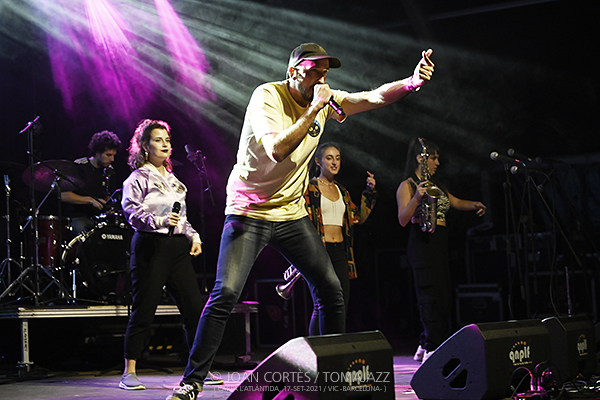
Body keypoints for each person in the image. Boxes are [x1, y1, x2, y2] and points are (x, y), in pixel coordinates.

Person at [167, 42, 434, 400]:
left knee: (331, 290)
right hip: (250, 210)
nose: (322, 77)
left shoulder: (324, 97)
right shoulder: (268, 97)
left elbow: (372, 98)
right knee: (226, 292)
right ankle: (191, 382)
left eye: (326, 71)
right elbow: (277, 149)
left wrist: (411, 82)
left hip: (291, 213)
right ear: (293, 71)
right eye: (314, 70)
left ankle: (330, 379)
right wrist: (315, 109)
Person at [119, 119, 223, 390]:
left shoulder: (175, 182)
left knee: (193, 308)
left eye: (167, 139)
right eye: (158, 140)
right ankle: (129, 371)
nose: (165, 144)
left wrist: (194, 236)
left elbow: (182, 218)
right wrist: (161, 221)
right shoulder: (137, 178)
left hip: (176, 249)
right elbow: (132, 212)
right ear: (144, 146)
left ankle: (199, 367)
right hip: (150, 246)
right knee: (144, 308)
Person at [396, 137, 486, 363]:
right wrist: (417, 196)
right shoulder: (406, 185)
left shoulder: (438, 185)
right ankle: (431, 347)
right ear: (421, 159)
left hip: (439, 242)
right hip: (421, 242)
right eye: (434, 158)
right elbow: (403, 219)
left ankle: (425, 341)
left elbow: (454, 202)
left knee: (442, 295)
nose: (437, 162)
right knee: (428, 295)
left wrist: (473, 204)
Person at [304, 142, 376, 335]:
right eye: (329, 158)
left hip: (341, 252)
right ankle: (316, 352)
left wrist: (369, 193)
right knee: (323, 302)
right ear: (318, 161)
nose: (334, 162)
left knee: (340, 303)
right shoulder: (310, 188)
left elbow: (357, 216)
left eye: (337, 158)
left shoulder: (342, 191)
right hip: (320, 251)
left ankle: (335, 348)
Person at [60, 130, 121, 235]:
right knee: (82, 229)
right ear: (97, 152)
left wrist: (109, 206)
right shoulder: (79, 167)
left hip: (99, 219)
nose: (112, 159)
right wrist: (90, 200)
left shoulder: (110, 171)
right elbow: (63, 195)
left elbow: (106, 195)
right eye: (108, 155)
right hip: (78, 217)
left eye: (113, 155)